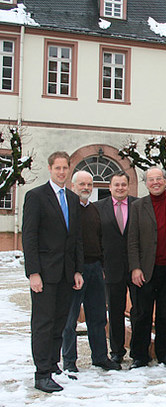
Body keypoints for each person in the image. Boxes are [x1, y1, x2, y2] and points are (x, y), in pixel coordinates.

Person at [22, 151, 84, 393]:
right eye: (57, 168)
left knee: (59, 322)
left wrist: (78, 270)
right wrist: (33, 273)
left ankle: (52, 365)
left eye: (64, 168)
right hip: (45, 274)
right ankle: (41, 373)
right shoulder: (36, 196)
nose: (61, 172)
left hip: (66, 274)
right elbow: (29, 237)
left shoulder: (71, 198)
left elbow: (76, 239)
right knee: (43, 324)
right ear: (50, 169)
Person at [61, 171, 121, 372]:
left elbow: (100, 238)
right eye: (82, 184)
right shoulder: (68, 209)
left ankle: (100, 357)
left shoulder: (94, 210)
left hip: (95, 268)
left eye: (89, 184)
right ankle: (69, 361)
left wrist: (102, 266)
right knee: (70, 319)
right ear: (73, 186)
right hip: (75, 270)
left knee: (97, 316)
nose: (86, 187)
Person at [127, 167, 166, 368]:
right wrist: (135, 267)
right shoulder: (138, 206)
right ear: (146, 183)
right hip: (146, 270)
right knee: (142, 313)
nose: (155, 182)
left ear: (165, 181)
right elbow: (132, 240)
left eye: (159, 179)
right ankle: (139, 356)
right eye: (151, 179)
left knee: (164, 314)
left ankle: (164, 354)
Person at [95, 171, 137, 364]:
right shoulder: (98, 208)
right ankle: (117, 351)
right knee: (115, 310)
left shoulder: (138, 205)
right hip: (111, 267)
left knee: (139, 310)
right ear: (109, 187)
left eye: (123, 184)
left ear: (128, 186)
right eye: (116, 184)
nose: (120, 188)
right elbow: (96, 239)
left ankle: (137, 351)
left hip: (136, 267)